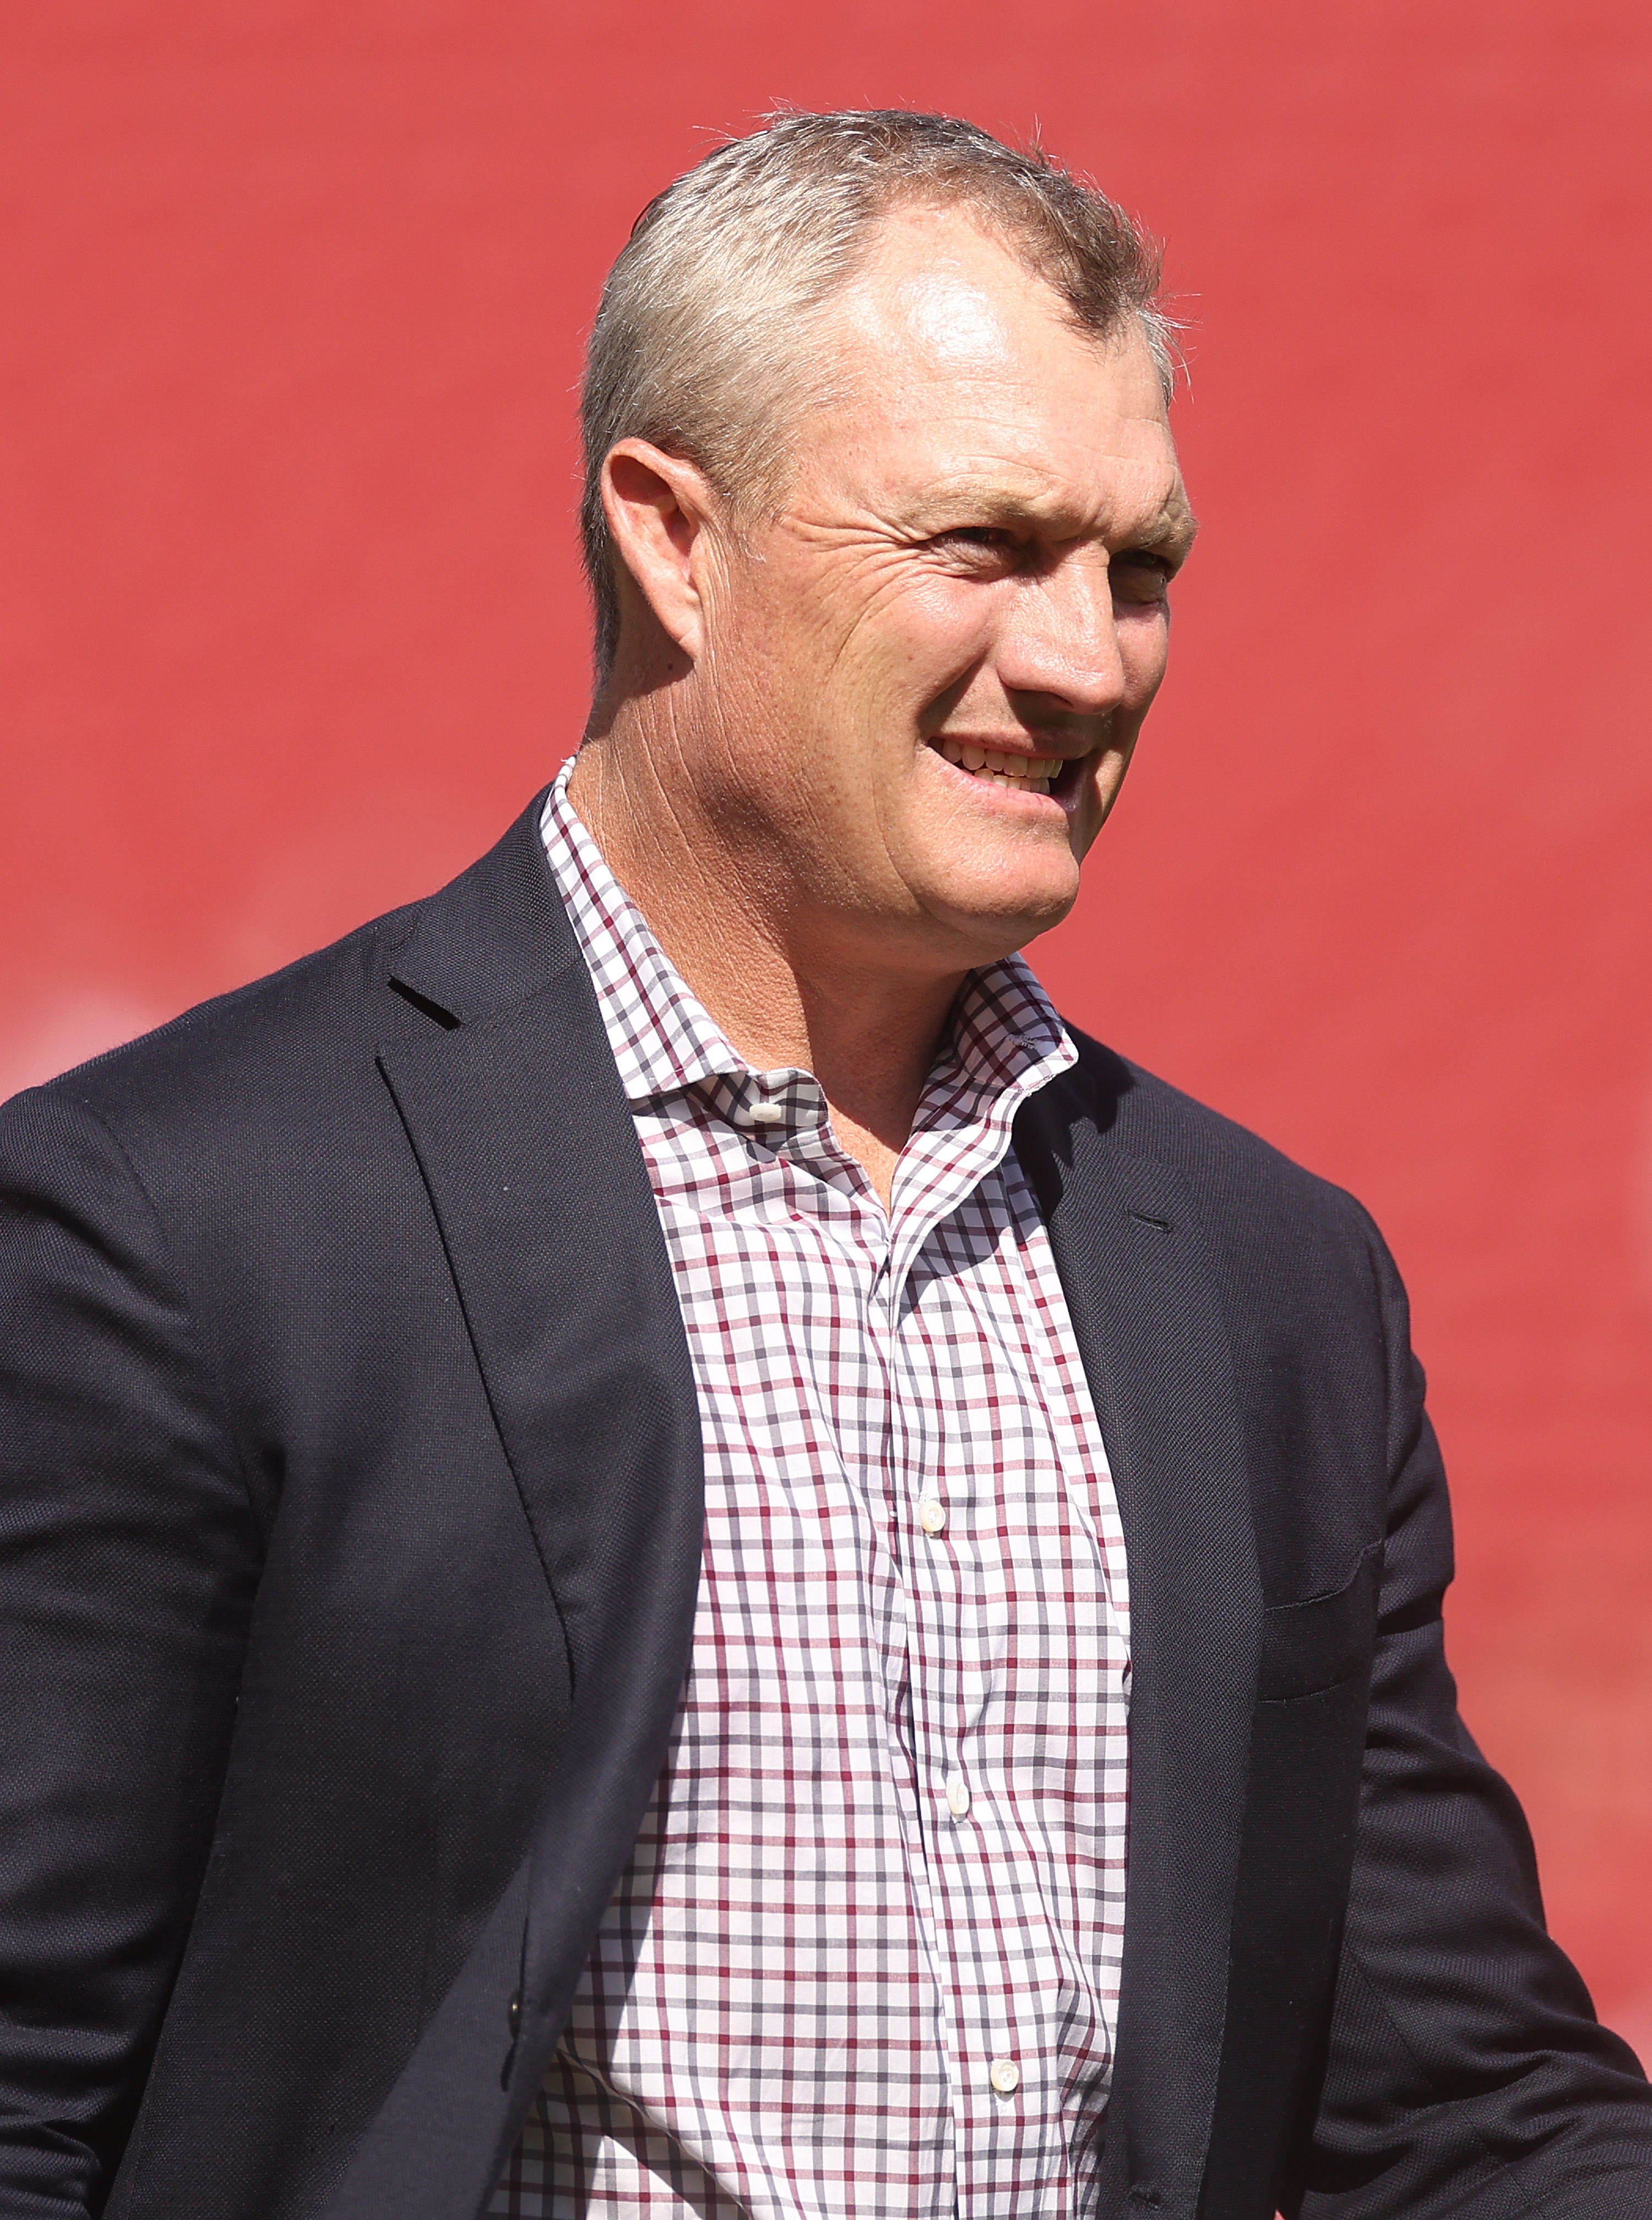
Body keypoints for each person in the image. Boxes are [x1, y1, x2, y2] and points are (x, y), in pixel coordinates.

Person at [0, 107, 1646, 2220]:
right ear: (671, 536)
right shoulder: (181, 1227)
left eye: (1140, 569)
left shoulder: (1270, 1282)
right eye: (981, 545)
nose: (1085, 660)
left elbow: (1455, 2113)